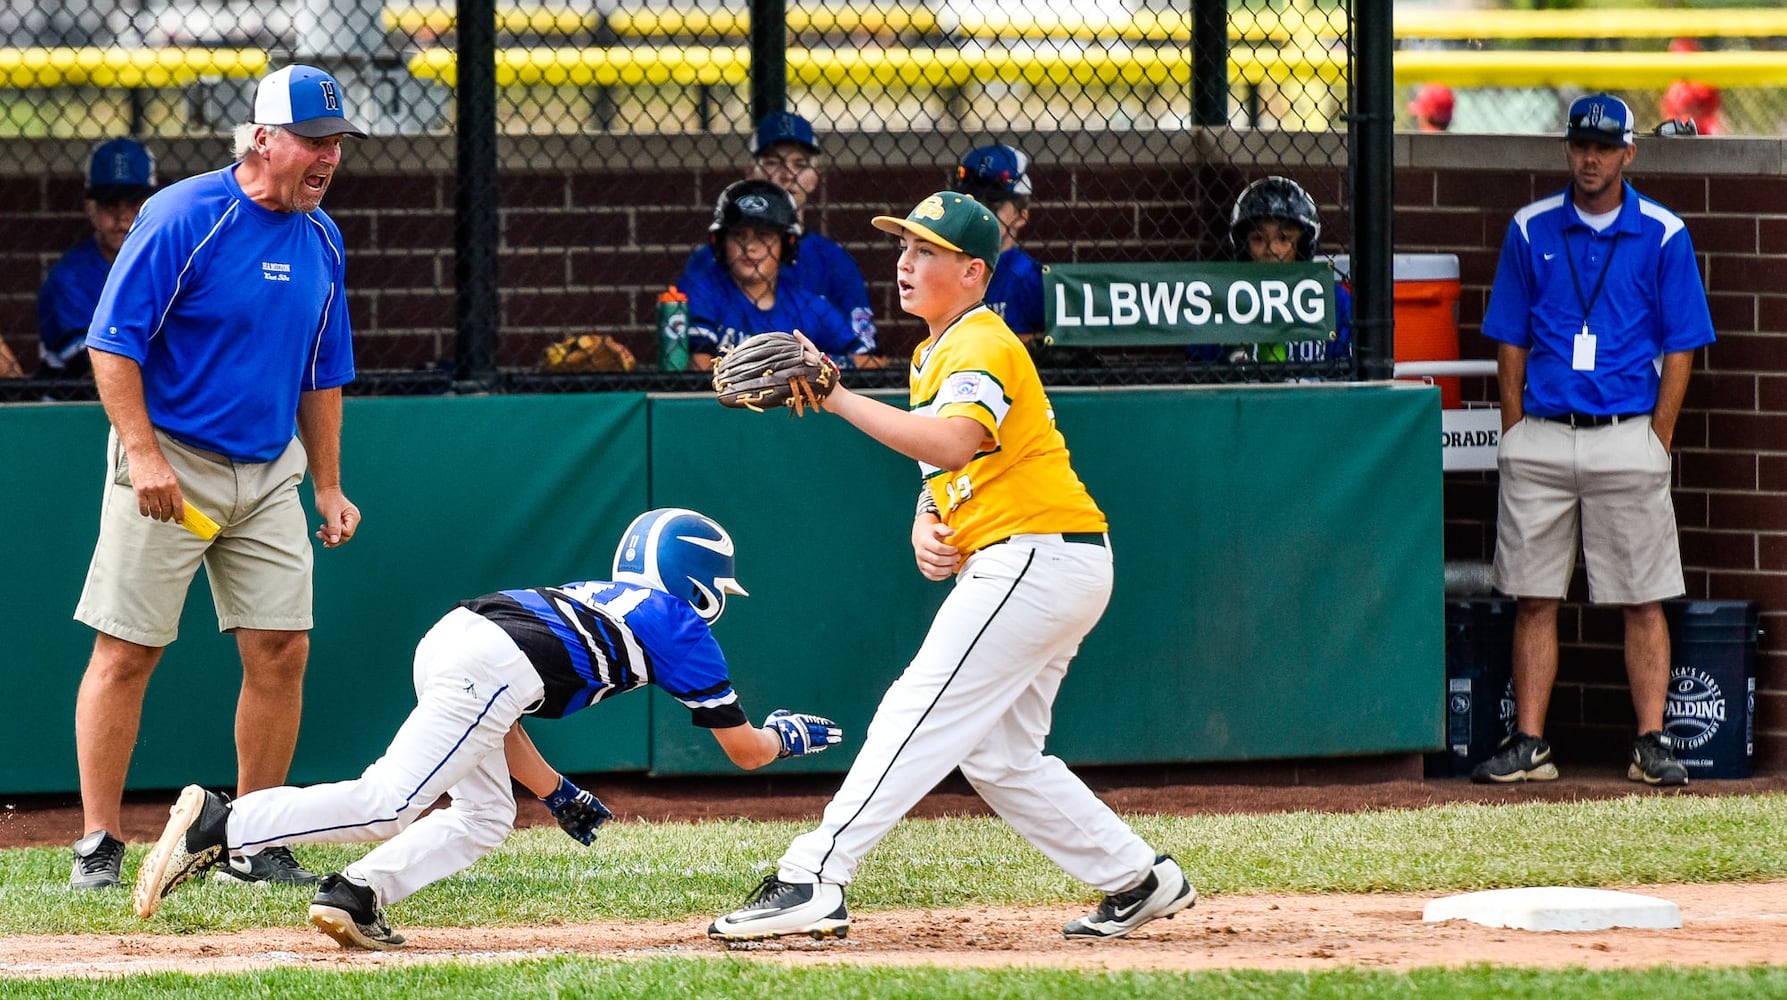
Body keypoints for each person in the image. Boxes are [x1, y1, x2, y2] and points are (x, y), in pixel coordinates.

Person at [709, 192, 1194, 944]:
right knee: (1000, 757)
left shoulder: (980, 343)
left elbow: (953, 442)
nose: (905, 264)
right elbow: (947, 467)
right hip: (1049, 558)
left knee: (916, 707)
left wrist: (837, 397)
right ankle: (1136, 877)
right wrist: (926, 522)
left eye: (926, 252)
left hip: (1035, 557)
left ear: (972, 271)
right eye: (902, 249)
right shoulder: (935, 350)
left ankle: (813, 876)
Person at [133, 507, 843, 950]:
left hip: (458, 641)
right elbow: (746, 751)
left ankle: (355, 893)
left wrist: (555, 789)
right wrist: (790, 736)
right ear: (699, 579)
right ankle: (225, 824)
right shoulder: (677, 622)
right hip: (491, 665)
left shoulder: (601, 594)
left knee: (484, 814)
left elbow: (498, 709)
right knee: (389, 801)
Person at [68, 64, 367, 891]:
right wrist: (144, 454)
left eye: (336, 144)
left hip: (270, 470)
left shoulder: (323, 239)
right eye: (312, 141)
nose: (326, 159)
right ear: (262, 138)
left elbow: (322, 371)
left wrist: (329, 485)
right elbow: (112, 342)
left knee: (281, 650)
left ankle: (253, 841)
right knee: (127, 652)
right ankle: (97, 843)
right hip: (170, 462)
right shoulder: (184, 214)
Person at [1473, 94, 1715, 788]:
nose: (1591, 157)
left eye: (1605, 147)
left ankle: (1649, 741)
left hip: (1624, 434)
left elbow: (1681, 347)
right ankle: (1529, 744)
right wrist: (1514, 428)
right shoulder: (1530, 227)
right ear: (1567, 149)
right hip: (1543, 435)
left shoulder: (1663, 233)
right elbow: (1509, 338)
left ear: (1628, 154)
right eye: (1581, 144)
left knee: (1643, 595)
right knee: (1532, 595)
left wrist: (1655, 439)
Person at [675, 112, 877, 353]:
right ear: (751, 171)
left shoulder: (836, 263)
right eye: (772, 162)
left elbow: (868, 358)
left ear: (814, 178)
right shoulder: (708, 260)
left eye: (800, 164)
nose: (787, 174)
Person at [681, 179, 880, 370]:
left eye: (764, 236)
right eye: (738, 235)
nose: (750, 247)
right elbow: (699, 366)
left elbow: (874, 362)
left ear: (786, 245)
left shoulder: (808, 306)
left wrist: (812, 363)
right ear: (722, 242)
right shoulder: (704, 290)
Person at [37, 137, 158, 378]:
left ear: (154, 204)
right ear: (90, 208)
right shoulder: (70, 278)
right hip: (76, 406)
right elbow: (96, 368)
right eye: (109, 203)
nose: (122, 217)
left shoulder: (172, 265)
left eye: (134, 203)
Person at [1213, 176, 1352, 368]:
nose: (1272, 249)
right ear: (1244, 246)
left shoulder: (1333, 300)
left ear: (1303, 245)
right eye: (1258, 238)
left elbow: (1348, 374)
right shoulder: (1223, 300)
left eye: (1284, 238)